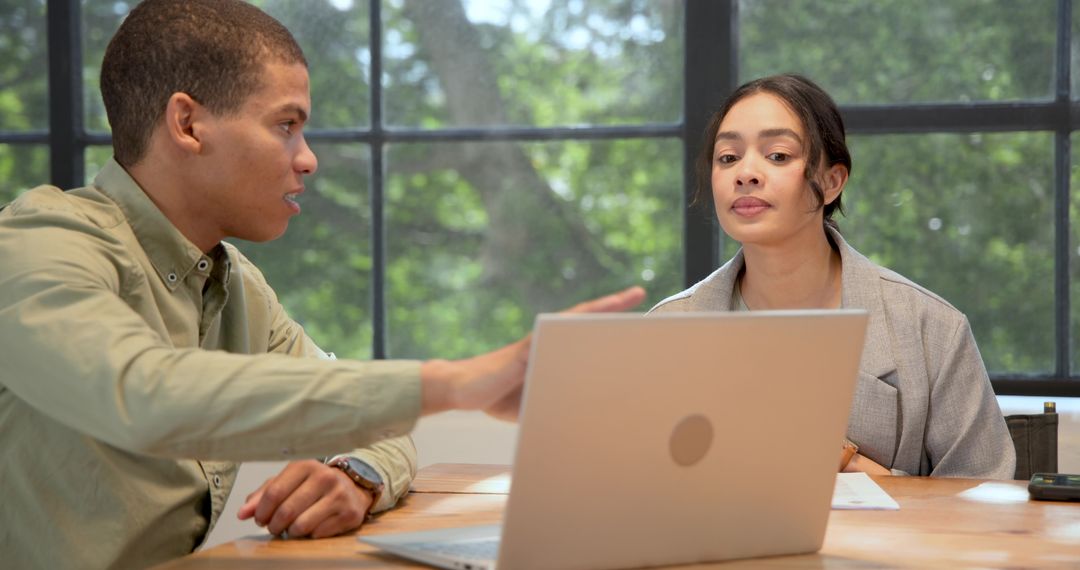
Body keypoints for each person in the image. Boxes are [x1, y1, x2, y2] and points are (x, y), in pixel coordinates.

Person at [0, 1, 645, 568]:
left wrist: (355, 475)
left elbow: (377, 430)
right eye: (286, 124)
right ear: (188, 124)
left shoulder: (238, 288)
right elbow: (137, 392)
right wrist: (451, 383)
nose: (307, 157)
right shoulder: (40, 242)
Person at [651, 74, 1015, 479]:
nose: (746, 173)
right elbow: (639, 485)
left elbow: (985, 503)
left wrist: (858, 468)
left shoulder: (931, 327)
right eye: (728, 157)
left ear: (831, 181)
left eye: (778, 156)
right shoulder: (667, 329)